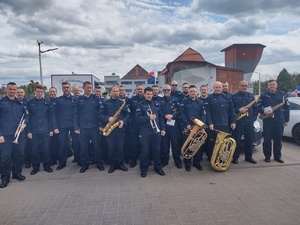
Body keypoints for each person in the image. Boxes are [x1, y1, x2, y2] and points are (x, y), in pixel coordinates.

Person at [0, 82, 28, 188]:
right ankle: (5, 178)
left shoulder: (20, 103)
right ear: (6, 90)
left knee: (19, 154)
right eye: (10, 89)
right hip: (5, 135)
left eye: (14, 89)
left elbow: (26, 116)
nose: (12, 91)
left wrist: (24, 124)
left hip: (19, 134)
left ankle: (17, 174)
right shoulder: (1, 102)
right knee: (5, 157)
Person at [74, 81, 104, 173]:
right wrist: (76, 127)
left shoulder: (96, 99)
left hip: (95, 127)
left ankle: (98, 163)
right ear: (83, 88)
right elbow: (75, 114)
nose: (89, 89)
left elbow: (100, 113)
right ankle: (84, 164)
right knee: (84, 147)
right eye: (87, 87)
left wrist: (101, 125)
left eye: (90, 88)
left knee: (97, 146)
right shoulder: (79, 100)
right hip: (83, 128)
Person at [136, 87, 166, 177]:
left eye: (150, 94)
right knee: (145, 151)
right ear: (145, 95)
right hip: (145, 131)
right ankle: (143, 169)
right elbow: (137, 118)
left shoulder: (156, 104)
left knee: (157, 150)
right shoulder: (140, 105)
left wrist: (163, 129)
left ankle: (158, 167)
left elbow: (160, 118)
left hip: (156, 131)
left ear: (153, 95)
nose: (149, 95)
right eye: (147, 94)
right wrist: (148, 117)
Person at [99, 85, 129, 173]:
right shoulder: (105, 102)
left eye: (117, 91)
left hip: (119, 128)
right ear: (110, 92)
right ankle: (112, 165)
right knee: (111, 148)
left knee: (120, 148)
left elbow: (128, 114)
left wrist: (123, 121)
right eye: (114, 91)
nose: (115, 93)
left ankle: (120, 164)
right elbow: (99, 114)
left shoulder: (122, 103)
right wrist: (107, 118)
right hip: (109, 129)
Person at [258, 80, 290, 163]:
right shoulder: (264, 95)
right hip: (268, 121)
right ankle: (267, 156)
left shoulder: (282, 94)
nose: (272, 86)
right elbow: (258, 106)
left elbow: (287, 108)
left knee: (278, 140)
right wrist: (263, 111)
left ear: (276, 85)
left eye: (273, 84)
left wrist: (286, 120)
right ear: (268, 86)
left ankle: (277, 156)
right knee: (267, 140)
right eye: (270, 85)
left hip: (279, 121)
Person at [27, 85, 56, 175]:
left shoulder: (47, 102)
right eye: (38, 91)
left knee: (46, 149)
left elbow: (50, 117)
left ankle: (47, 166)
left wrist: (51, 129)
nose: (39, 93)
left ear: (43, 92)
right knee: (34, 150)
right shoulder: (30, 103)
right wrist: (29, 131)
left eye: (41, 92)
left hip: (45, 129)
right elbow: (27, 118)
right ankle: (35, 167)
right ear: (35, 91)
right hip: (34, 130)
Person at [205, 81, 236, 156]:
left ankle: (222, 159)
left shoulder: (227, 98)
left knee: (225, 144)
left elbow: (232, 110)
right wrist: (210, 123)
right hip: (214, 126)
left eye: (219, 87)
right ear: (213, 88)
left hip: (225, 125)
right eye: (216, 87)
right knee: (212, 143)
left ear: (222, 88)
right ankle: (211, 159)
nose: (218, 89)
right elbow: (207, 113)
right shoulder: (209, 98)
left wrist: (233, 122)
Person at [180, 85, 206, 171]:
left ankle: (197, 162)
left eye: (194, 91)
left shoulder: (200, 102)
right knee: (188, 145)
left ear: (196, 92)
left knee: (197, 145)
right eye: (191, 91)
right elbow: (182, 114)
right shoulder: (184, 102)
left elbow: (203, 115)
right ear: (189, 92)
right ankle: (187, 163)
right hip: (188, 127)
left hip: (198, 127)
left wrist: (202, 126)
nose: (192, 93)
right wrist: (187, 124)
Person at [231, 81, 258, 164]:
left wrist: (253, 118)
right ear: (239, 86)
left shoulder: (251, 96)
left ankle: (249, 157)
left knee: (249, 140)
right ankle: (235, 158)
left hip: (249, 122)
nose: (244, 87)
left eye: (245, 86)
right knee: (237, 140)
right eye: (242, 85)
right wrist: (238, 110)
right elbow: (231, 109)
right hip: (238, 122)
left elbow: (255, 108)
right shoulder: (233, 97)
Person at [54, 82, 78, 170]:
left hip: (73, 125)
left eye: (67, 87)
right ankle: (62, 162)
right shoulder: (58, 100)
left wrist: (77, 126)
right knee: (62, 145)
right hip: (62, 126)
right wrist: (55, 126)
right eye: (64, 88)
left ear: (70, 88)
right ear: (62, 89)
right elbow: (54, 114)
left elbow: (78, 113)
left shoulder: (75, 99)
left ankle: (78, 159)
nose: (66, 89)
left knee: (76, 143)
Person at [159, 84, 182, 168]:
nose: (166, 92)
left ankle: (177, 161)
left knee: (175, 144)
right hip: (164, 125)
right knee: (164, 145)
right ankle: (165, 161)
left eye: (168, 90)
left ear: (170, 90)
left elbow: (179, 111)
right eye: (165, 90)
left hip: (173, 125)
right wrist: (165, 115)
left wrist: (173, 116)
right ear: (162, 91)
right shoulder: (159, 100)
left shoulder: (175, 99)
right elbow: (158, 112)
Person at [127, 84, 145, 167]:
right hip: (134, 125)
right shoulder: (131, 100)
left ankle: (146, 159)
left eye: (141, 89)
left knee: (145, 143)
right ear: (135, 90)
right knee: (134, 143)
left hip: (144, 125)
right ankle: (133, 160)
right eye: (138, 89)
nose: (140, 90)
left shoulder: (146, 99)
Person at [16, 88, 32, 169]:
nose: (20, 94)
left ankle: (27, 162)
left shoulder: (28, 102)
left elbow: (29, 115)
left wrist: (27, 128)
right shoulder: (14, 102)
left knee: (27, 146)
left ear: (24, 93)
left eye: (21, 92)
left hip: (27, 127)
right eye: (18, 92)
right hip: (16, 128)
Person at [119, 86, 131, 164]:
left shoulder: (129, 100)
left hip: (127, 124)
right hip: (118, 124)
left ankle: (127, 157)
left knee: (127, 142)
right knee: (120, 143)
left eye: (122, 90)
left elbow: (129, 112)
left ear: (125, 91)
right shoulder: (115, 100)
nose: (121, 91)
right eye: (119, 90)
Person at [49, 87, 59, 166]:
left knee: (60, 144)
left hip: (59, 126)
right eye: (51, 91)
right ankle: (53, 160)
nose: (52, 93)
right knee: (51, 144)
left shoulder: (59, 101)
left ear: (56, 92)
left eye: (54, 91)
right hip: (49, 127)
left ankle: (61, 158)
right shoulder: (46, 101)